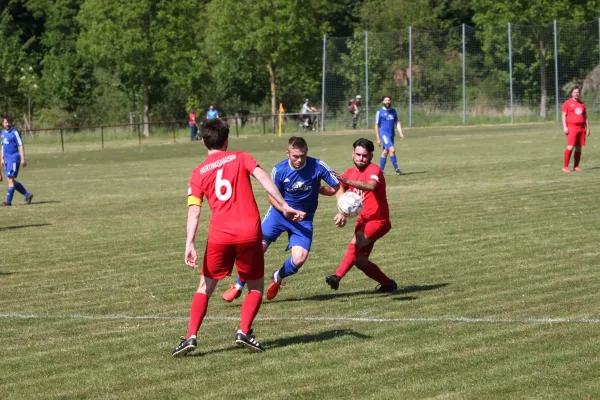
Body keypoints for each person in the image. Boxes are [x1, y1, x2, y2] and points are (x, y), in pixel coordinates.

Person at [172, 119, 305, 357]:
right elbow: (265, 179)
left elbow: (194, 210)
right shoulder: (242, 157)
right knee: (255, 286)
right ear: (227, 140)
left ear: (203, 141)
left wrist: (189, 243)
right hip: (249, 233)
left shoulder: (198, 173)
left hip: (219, 237)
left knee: (205, 286)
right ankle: (244, 331)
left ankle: (191, 336)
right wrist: (284, 206)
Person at [222, 136, 343, 302]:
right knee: (257, 248)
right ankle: (238, 286)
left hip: (304, 220)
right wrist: (286, 210)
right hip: (279, 215)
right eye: (295, 156)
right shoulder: (279, 170)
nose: (299, 160)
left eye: (302, 155)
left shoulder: (318, 166)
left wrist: (341, 210)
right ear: (288, 153)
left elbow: (337, 187)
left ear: (306, 151)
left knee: (299, 258)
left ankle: (278, 276)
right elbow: (271, 197)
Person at [322, 138, 397, 293]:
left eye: (364, 155)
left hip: (378, 220)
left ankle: (337, 276)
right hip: (363, 220)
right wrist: (314, 186)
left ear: (370, 156)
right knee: (360, 261)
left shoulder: (374, 170)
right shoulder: (350, 172)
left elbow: (371, 186)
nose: (360, 158)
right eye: (358, 154)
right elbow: (334, 190)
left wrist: (347, 181)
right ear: (352, 153)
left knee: (355, 244)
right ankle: (388, 284)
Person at [1, 116, 33, 206]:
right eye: (6, 122)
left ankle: (8, 202)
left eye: (9, 122)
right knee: (10, 180)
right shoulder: (3, 133)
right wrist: (1, 158)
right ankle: (27, 195)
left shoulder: (14, 133)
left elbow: (20, 145)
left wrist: (23, 158)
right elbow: (2, 146)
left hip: (14, 158)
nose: (7, 124)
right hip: (7, 159)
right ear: (3, 124)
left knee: (10, 180)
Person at [561, 86, 590, 173]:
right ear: (572, 93)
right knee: (571, 146)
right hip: (572, 127)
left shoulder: (582, 104)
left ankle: (576, 166)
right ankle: (565, 167)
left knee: (579, 147)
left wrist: (588, 128)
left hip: (581, 128)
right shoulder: (567, 103)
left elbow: (585, 117)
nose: (576, 93)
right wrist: (565, 126)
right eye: (575, 92)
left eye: (578, 92)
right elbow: (563, 115)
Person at [375, 96, 405, 175]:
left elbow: (397, 122)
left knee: (385, 152)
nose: (388, 102)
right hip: (384, 134)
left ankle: (380, 170)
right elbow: (377, 125)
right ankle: (397, 169)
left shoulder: (393, 111)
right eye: (386, 100)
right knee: (392, 150)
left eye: (389, 100)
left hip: (391, 135)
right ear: (383, 102)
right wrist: (378, 138)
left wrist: (400, 133)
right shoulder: (380, 112)